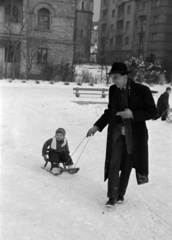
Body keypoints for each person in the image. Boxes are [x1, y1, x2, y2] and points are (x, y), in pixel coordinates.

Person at [87, 62, 157, 207]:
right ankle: (112, 196)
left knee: (126, 166)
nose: (114, 81)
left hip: (134, 137)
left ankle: (120, 194)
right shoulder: (113, 90)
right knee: (113, 164)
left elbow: (153, 112)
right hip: (117, 135)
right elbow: (109, 112)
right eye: (112, 77)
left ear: (125, 77)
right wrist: (97, 126)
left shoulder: (142, 90)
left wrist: (133, 114)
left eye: (116, 77)